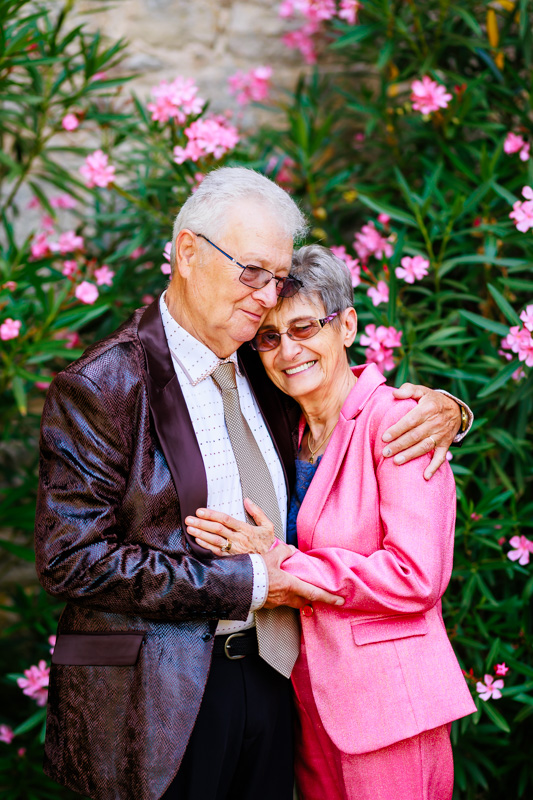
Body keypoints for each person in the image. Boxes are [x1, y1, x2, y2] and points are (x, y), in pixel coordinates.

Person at [35, 168, 470, 800]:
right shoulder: (104, 383)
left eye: (276, 278)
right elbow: (70, 558)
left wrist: (449, 410)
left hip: (272, 679)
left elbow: (347, 397)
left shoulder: (262, 365)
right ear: (188, 253)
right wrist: (253, 581)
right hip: (154, 693)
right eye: (252, 273)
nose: (268, 299)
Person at [186, 244, 476, 800]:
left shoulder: (399, 423)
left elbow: (416, 576)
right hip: (309, 702)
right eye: (269, 337)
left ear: (346, 325)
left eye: (304, 328)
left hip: (388, 711)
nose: (287, 350)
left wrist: (283, 562)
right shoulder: (287, 432)